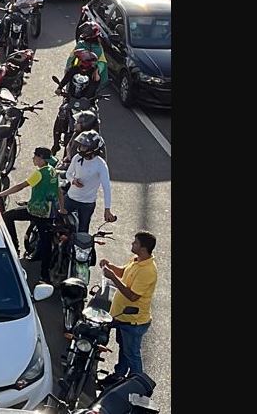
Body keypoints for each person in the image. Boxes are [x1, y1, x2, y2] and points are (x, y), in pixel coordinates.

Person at [0, 148, 59, 283]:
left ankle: (14, 246)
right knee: (46, 243)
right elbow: (58, 190)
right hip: (50, 213)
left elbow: (20, 186)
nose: (33, 159)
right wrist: (62, 208)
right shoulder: (53, 171)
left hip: (36, 211)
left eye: (35, 157)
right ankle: (45, 275)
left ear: (41, 159)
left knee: (8, 216)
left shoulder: (38, 174)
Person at [100, 231, 159, 384]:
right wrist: (110, 266)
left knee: (132, 354)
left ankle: (139, 386)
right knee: (124, 350)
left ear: (144, 248)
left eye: (135, 243)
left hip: (134, 322)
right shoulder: (136, 260)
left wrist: (113, 277)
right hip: (122, 317)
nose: (132, 244)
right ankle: (119, 376)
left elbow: (133, 296)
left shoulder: (148, 271)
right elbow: (123, 272)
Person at [62, 130, 116, 232]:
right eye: (81, 145)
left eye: (84, 146)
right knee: (60, 223)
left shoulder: (101, 165)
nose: (81, 148)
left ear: (92, 149)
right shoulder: (77, 158)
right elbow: (68, 174)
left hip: (87, 204)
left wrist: (107, 209)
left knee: (82, 231)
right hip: (70, 198)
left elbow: (106, 187)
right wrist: (73, 181)